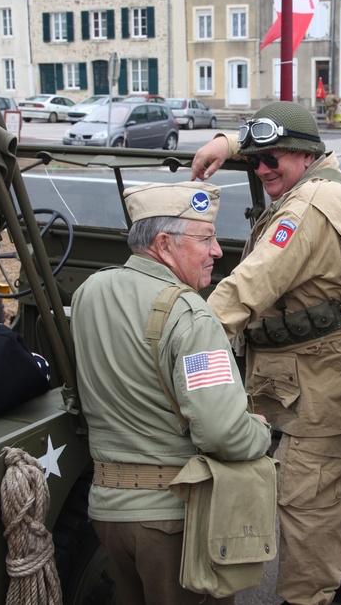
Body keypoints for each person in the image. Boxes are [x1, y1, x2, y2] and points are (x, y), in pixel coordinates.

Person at [190, 101, 341, 605]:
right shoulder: (330, 180)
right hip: (338, 382)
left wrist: (181, 341)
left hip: (320, 400)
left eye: (271, 160)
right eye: (254, 160)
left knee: (309, 516)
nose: (261, 169)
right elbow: (280, 142)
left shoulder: (307, 209)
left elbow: (246, 288)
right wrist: (228, 144)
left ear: (303, 154)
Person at [71, 181, 271, 605]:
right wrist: (259, 432)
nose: (217, 251)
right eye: (206, 238)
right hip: (171, 523)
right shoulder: (191, 317)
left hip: (107, 513)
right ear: (164, 244)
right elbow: (221, 432)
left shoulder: (90, 292)